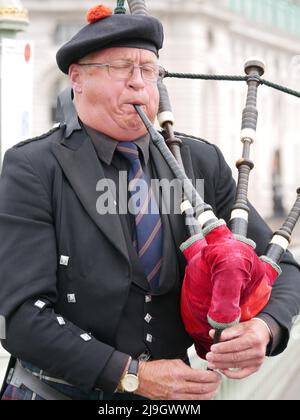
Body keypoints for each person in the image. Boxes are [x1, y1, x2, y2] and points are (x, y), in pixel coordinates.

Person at [0, 4, 300, 401]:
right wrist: (130, 375)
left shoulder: (199, 162)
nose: (139, 84)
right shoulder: (33, 167)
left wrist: (263, 328)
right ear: (78, 78)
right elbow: (21, 317)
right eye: (122, 68)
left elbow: (284, 269)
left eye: (150, 70)